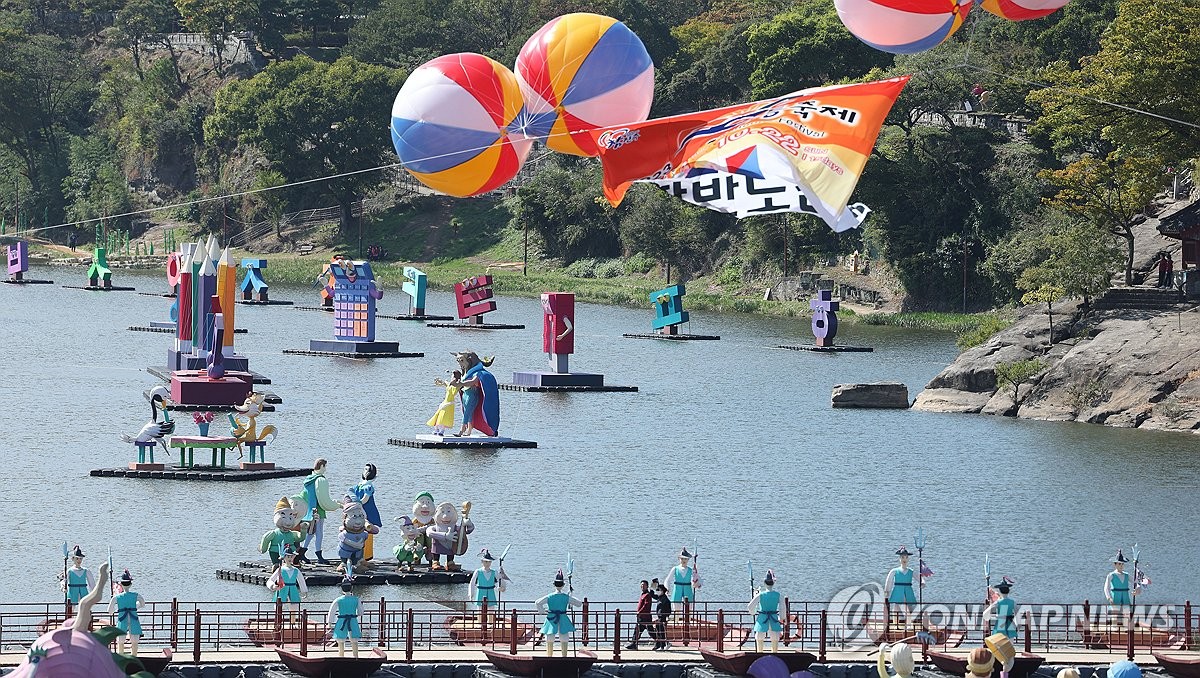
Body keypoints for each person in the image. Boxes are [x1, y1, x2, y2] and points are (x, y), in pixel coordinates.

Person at [536, 569, 583, 657]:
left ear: (554, 585)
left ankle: (549, 656)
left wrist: (542, 612)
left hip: (551, 617)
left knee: (550, 636)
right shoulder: (566, 597)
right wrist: (571, 594)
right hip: (563, 617)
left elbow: (538, 602)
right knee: (564, 636)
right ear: (563, 585)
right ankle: (564, 656)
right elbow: (579, 604)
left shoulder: (550, 596)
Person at [347, 464, 381, 561]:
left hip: (367, 511)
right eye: (364, 469)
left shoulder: (369, 486)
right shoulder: (360, 484)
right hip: (358, 511)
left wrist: (356, 503)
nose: (365, 471)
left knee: (368, 531)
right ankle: (358, 554)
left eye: (368, 470)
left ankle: (367, 556)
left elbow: (365, 499)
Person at [108, 569, 144, 656]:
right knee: (134, 639)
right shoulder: (135, 595)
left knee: (121, 639)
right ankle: (134, 656)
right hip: (133, 617)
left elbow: (110, 610)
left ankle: (121, 656)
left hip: (122, 618)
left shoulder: (117, 597)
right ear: (130, 584)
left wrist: (113, 611)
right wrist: (135, 607)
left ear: (121, 584)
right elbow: (142, 603)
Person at [328, 575, 363, 658]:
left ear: (342, 589)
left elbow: (331, 612)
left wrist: (329, 623)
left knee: (340, 641)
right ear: (351, 588)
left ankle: (341, 657)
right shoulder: (356, 599)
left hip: (341, 620)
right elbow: (361, 612)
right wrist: (356, 614)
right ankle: (356, 657)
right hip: (353, 620)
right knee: (354, 640)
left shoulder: (338, 600)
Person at [749, 569, 783, 653]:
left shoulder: (760, 595)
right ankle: (774, 653)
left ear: (764, 583)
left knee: (759, 636)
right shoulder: (778, 595)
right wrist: (782, 617)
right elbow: (783, 608)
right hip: (774, 618)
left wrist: (753, 612)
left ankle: (759, 653)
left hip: (762, 618)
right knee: (775, 636)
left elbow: (750, 606)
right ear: (773, 583)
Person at [884, 547, 916, 624]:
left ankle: (908, 624)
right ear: (899, 559)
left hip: (907, 590)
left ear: (908, 559)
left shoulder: (911, 571)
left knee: (908, 607)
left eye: (906, 557)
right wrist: (887, 591)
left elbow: (918, 577)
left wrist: (922, 582)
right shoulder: (895, 571)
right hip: (898, 590)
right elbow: (889, 581)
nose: (904, 559)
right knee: (896, 607)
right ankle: (895, 623)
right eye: (902, 557)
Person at [427, 372, 461, 436]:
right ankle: (436, 429)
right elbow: (445, 383)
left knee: (444, 417)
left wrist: (457, 383)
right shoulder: (450, 385)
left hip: (449, 403)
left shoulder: (456, 386)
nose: (452, 377)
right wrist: (441, 382)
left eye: (453, 376)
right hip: (445, 402)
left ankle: (442, 430)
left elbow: (454, 391)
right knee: (438, 415)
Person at [625, 580, 654, 650]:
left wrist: (639, 612)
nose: (642, 586)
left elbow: (646, 605)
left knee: (651, 631)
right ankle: (634, 644)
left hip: (645, 617)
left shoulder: (647, 595)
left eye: (644, 585)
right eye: (641, 585)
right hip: (641, 617)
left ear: (647, 586)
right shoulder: (643, 594)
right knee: (637, 630)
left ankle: (661, 642)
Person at [652, 582, 672, 650]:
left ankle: (664, 645)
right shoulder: (659, 597)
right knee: (659, 630)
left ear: (663, 591)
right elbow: (652, 595)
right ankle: (662, 645)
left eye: (659, 590)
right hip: (659, 617)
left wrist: (666, 616)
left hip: (663, 617)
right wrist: (652, 588)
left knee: (661, 631)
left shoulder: (666, 600)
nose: (657, 591)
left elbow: (669, 610)